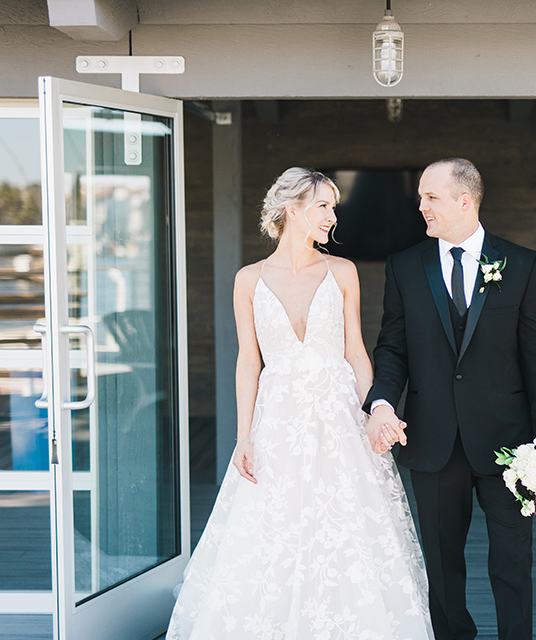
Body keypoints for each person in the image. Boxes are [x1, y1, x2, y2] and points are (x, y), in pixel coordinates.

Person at [167, 168, 434, 640]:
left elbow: (355, 351)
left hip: (338, 420)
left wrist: (376, 410)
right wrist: (243, 436)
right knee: (273, 531)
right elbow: (248, 361)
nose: (333, 216)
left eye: (333, 206)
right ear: (293, 210)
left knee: (344, 532)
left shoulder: (342, 271)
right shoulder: (248, 280)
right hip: (278, 423)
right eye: (324, 206)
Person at [364, 158, 536, 640]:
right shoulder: (405, 266)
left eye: (430, 197)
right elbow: (393, 348)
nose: (421, 206)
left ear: (465, 200)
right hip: (432, 443)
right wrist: (382, 402)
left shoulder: (522, 264)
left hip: (509, 446)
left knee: (512, 564)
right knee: (442, 569)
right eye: (420, 197)